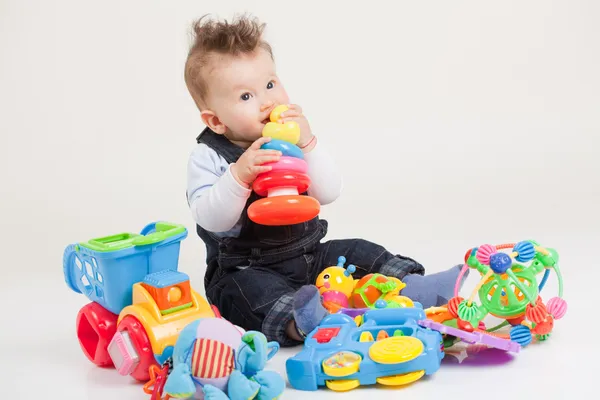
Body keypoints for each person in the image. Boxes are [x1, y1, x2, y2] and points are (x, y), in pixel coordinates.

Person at [184, 14, 468, 346]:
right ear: (216, 120)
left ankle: (414, 287)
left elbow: (329, 192)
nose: (268, 101)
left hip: (308, 257)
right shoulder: (209, 157)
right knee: (245, 295)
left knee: (357, 251)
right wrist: (239, 176)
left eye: (270, 84)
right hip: (247, 269)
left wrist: (308, 144)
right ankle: (304, 322)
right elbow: (211, 218)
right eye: (246, 96)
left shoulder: (291, 141)